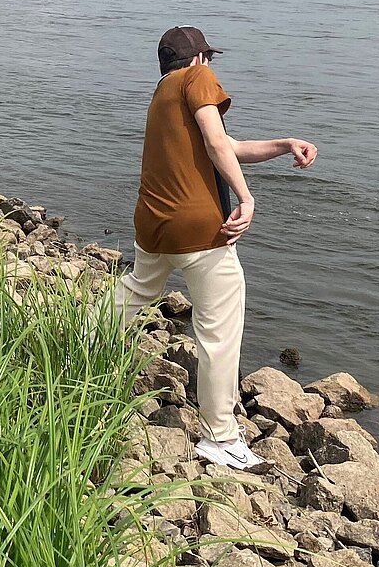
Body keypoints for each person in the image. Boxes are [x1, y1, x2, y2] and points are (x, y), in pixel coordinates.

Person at [103, 26, 318, 471]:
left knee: (137, 289)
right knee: (219, 330)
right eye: (210, 59)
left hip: (153, 223)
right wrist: (246, 197)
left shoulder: (162, 94)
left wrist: (283, 145)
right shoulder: (197, 78)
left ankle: (76, 342)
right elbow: (218, 142)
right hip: (199, 229)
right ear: (199, 59)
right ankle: (219, 437)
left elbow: (228, 146)